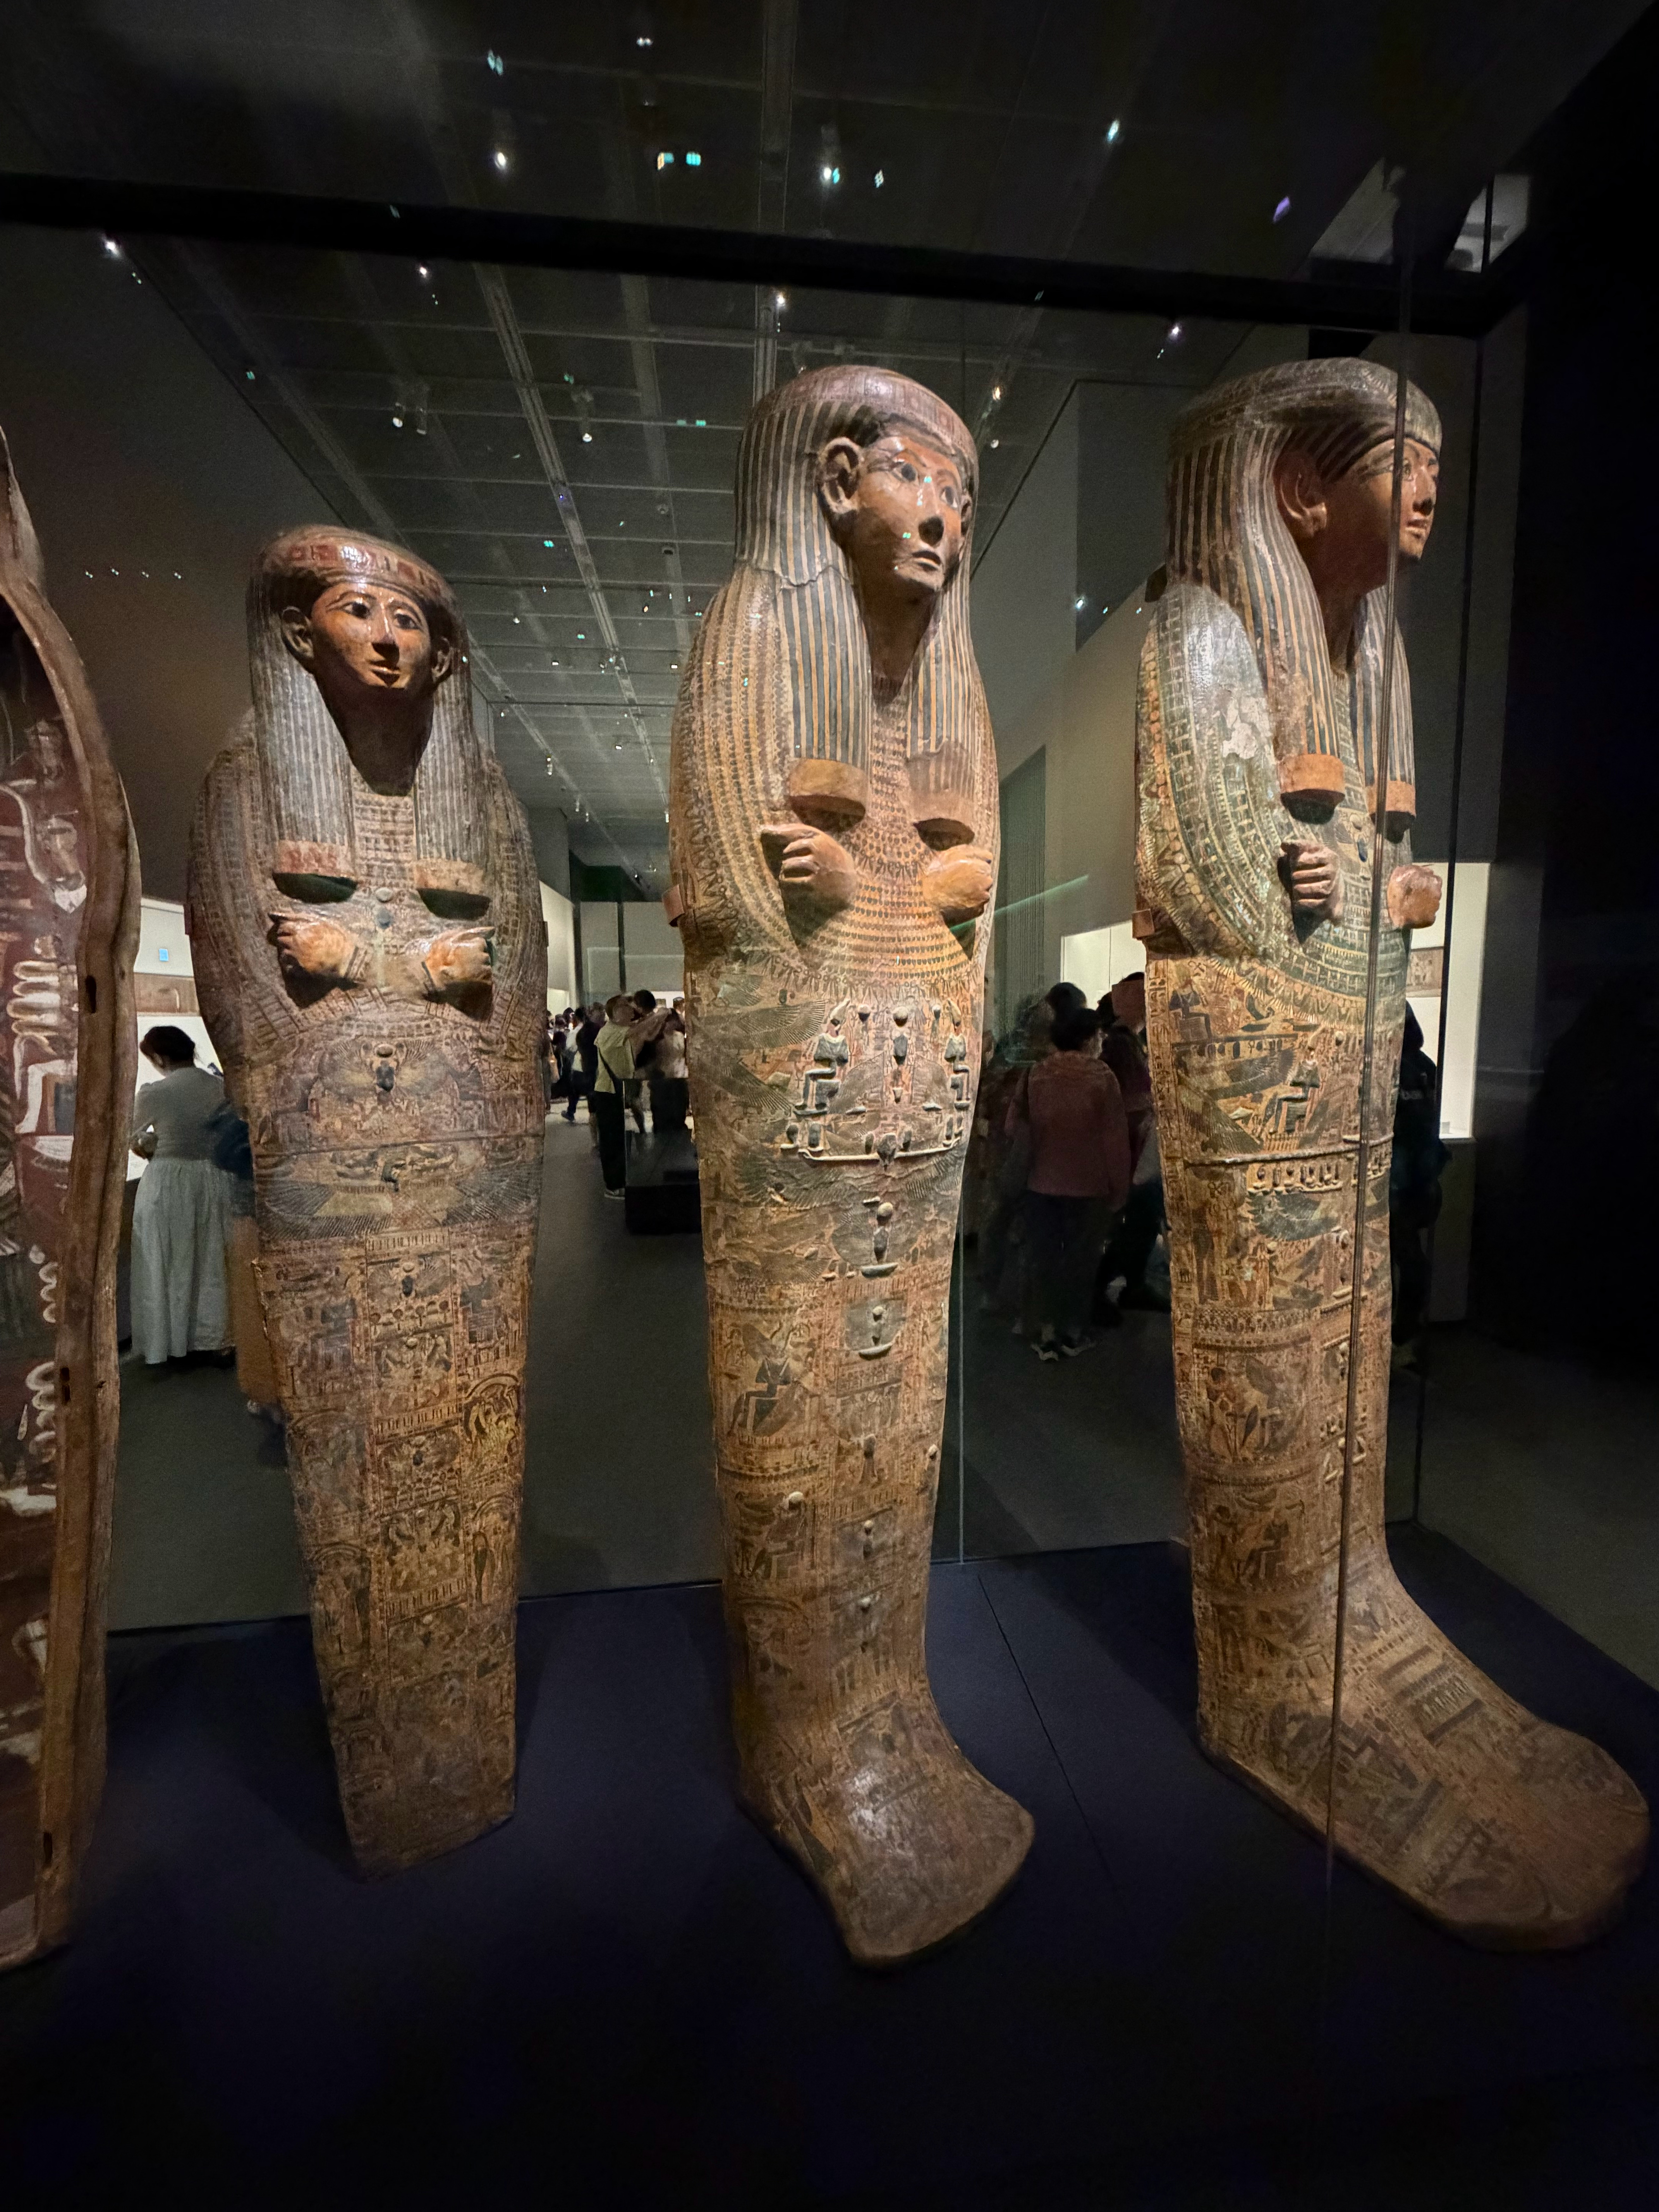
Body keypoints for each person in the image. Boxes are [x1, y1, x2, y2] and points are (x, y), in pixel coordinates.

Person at [1015, 1004, 1130, 1360]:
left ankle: (1045, 1331)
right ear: (1088, 1039)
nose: (1103, 1041)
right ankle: (1072, 1334)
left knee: (1045, 1260)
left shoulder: (1036, 1073)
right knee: (1081, 1263)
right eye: (1100, 1035)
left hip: (1041, 1183)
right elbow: (1115, 1139)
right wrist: (1120, 1189)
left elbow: (1014, 1127)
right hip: (1089, 1186)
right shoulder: (1102, 1077)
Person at [127, 1025, 237, 1365]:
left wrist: (149, 1146)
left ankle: (172, 1342)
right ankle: (217, 1339)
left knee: (169, 1261)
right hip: (215, 1178)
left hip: (169, 1182)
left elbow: (131, 1135)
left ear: (160, 1058)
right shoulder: (220, 1087)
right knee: (212, 1261)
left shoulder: (156, 1093)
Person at [1096, 970, 1169, 1316]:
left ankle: (1129, 1284)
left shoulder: (1127, 1042)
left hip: (1135, 1144)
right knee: (1139, 1218)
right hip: (1130, 1147)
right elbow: (1123, 1098)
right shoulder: (1120, 1044)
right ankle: (1100, 1286)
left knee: (1144, 1217)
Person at [1390, 1006, 1448, 1362]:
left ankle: (1398, 1339)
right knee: (1409, 1260)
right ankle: (1405, 1337)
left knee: (1394, 1263)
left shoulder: (1395, 1068)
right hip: (1419, 1181)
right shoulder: (1425, 1066)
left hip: (1398, 1184)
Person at [590, 992, 637, 1197]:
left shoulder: (618, 1030)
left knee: (617, 1138)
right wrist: (658, 1016)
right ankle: (613, 1184)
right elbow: (639, 1031)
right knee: (611, 1139)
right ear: (616, 1012)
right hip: (607, 1091)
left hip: (615, 1090)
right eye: (626, 1006)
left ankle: (619, 1180)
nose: (631, 1010)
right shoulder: (610, 1032)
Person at [631, 998, 690, 1135]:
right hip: (664, 1078)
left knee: (677, 1111)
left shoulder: (677, 1036)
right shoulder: (657, 1038)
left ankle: (675, 1134)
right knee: (663, 1113)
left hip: (678, 1078)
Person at [569, 1000, 603, 1129]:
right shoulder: (595, 1030)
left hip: (589, 1072)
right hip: (598, 1073)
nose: (603, 1015)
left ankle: (596, 1138)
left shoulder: (583, 1032)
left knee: (593, 1109)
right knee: (598, 1108)